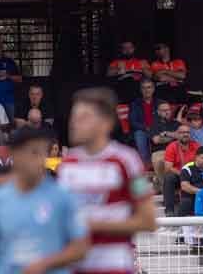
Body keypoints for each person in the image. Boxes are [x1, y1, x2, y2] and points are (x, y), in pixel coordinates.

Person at [0, 127, 90, 274]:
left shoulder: (62, 196)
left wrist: (45, 263)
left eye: (41, 153)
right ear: (15, 155)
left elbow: (80, 248)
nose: (39, 159)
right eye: (32, 152)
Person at [58, 88, 156, 269]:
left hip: (114, 265)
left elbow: (148, 220)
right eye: (73, 117)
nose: (73, 123)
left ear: (106, 123)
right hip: (74, 266)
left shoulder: (129, 161)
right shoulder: (67, 164)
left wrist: (91, 225)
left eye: (83, 117)